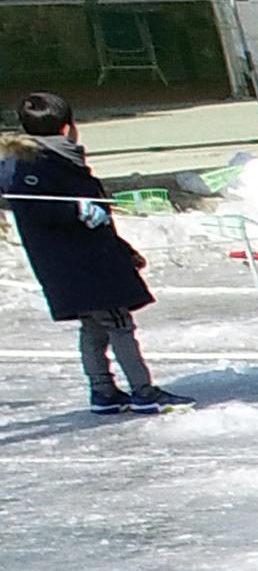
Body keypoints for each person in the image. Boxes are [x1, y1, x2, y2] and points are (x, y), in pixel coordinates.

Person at [4, 93, 170, 412]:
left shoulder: (59, 158)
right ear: (68, 128)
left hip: (90, 257)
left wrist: (123, 249)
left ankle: (103, 391)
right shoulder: (31, 163)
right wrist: (76, 211)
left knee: (96, 325)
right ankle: (143, 390)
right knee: (117, 322)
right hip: (78, 263)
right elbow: (33, 208)